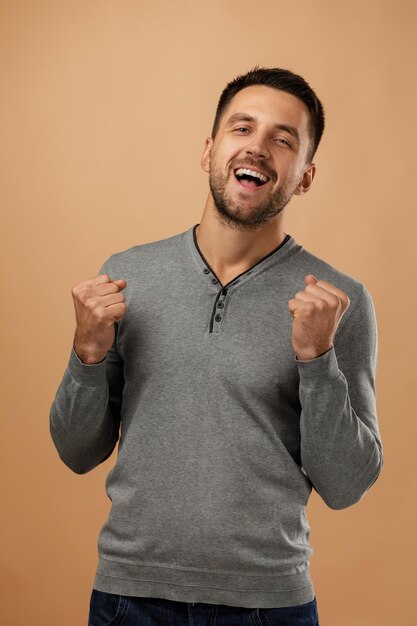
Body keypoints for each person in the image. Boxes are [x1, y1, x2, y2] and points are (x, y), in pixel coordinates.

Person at [49, 66, 383, 626]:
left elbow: (346, 485)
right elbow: (77, 452)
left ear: (305, 176)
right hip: (130, 597)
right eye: (241, 128)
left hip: (269, 605)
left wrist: (318, 362)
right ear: (208, 151)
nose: (257, 147)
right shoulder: (127, 277)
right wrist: (86, 352)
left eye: (283, 139)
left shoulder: (339, 301)